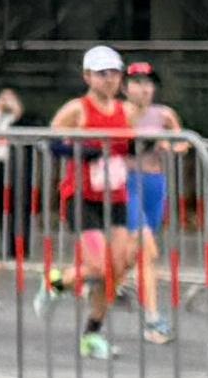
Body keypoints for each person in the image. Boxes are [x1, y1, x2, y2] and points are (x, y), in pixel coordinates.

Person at [45, 45, 142, 360]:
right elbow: (50, 141)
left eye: (114, 73)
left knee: (120, 264)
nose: (109, 79)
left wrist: (142, 146)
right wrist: (82, 150)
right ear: (87, 76)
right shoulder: (78, 109)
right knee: (98, 266)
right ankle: (56, 280)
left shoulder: (126, 110)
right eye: (102, 74)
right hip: (82, 195)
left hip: (115, 195)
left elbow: (132, 145)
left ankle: (91, 334)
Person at [121, 58, 189, 345]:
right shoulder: (119, 112)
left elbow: (183, 143)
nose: (144, 89)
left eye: (148, 84)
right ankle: (152, 318)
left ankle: (63, 281)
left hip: (154, 183)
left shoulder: (164, 114)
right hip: (126, 184)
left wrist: (169, 145)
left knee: (126, 257)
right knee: (148, 251)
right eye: (137, 83)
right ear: (125, 87)